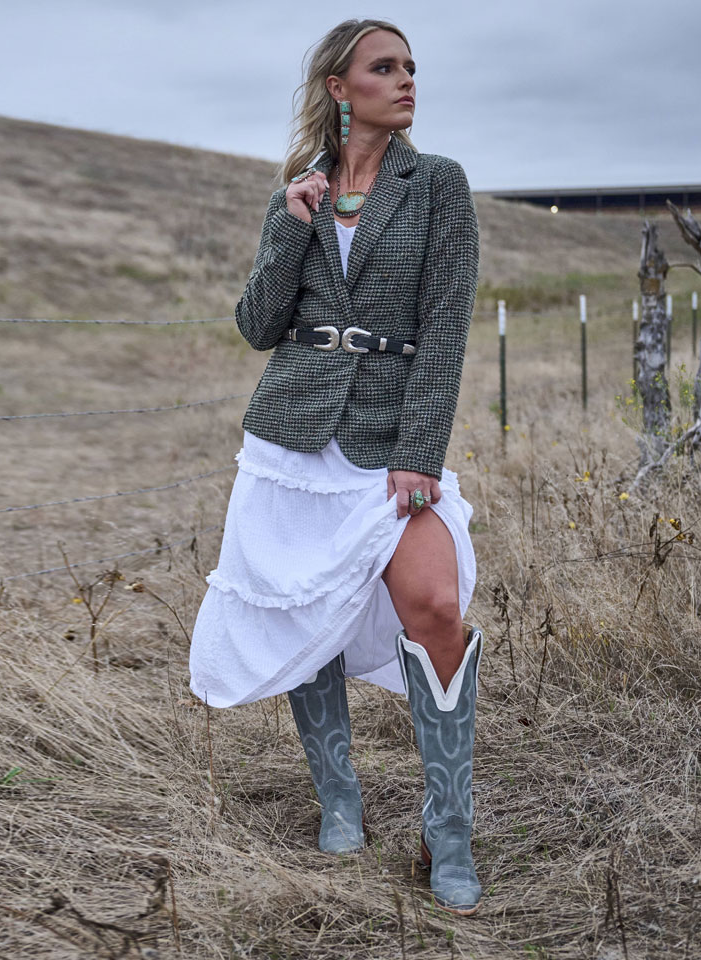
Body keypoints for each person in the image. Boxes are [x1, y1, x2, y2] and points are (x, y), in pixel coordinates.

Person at [184, 19, 487, 916]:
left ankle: (448, 830)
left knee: (435, 606)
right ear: (338, 87)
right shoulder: (302, 192)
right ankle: (339, 800)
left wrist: (419, 453)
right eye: (383, 68)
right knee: (302, 602)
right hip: (292, 435)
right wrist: (290, 225)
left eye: (410, 68)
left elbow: (447, 325)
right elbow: (256, 324)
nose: (406, 81)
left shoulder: (438, 186)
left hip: (390, 436)